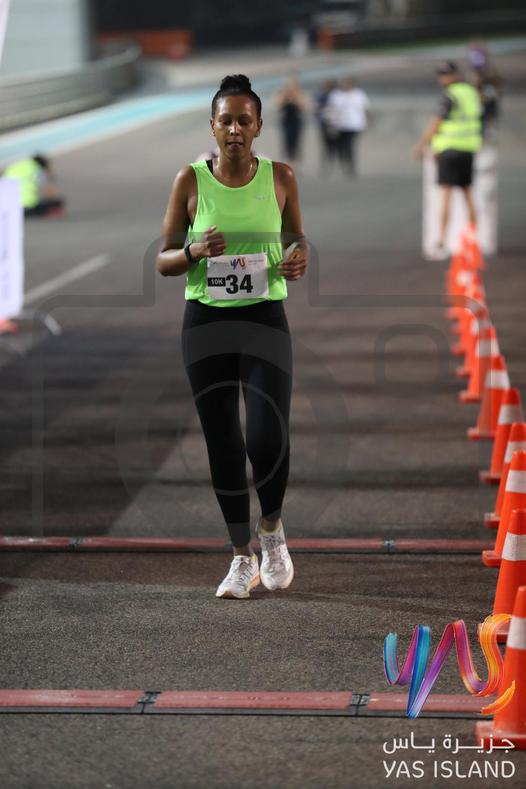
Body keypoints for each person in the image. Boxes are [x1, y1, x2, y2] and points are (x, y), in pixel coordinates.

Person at [157, 74, 308, 600]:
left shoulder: (281, 177)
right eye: (226, 121)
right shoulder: (190, 181)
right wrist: (194, 252)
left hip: (264, 320)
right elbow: (163, 260)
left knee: (267, 437)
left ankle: (272, 532)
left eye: (245, 120)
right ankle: (241, 557)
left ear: (259, 126)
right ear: (213, 126)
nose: (235, 129)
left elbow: (296, 240)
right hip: (206, 324)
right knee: (223, 442)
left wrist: (298, 259)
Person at [414, 61, 482, 255]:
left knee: (446, 196)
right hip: (468, 147)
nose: (442, 79)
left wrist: (421, 144)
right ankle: (473, 236)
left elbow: (437, 122)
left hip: (449, 149)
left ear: (453, 76)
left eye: (444, 75)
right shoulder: (471, 93)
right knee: (468, 193)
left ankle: (442, 238)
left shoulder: (450, 96)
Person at [325, 77, 370, 177]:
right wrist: (330, 124)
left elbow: (365, 108)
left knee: (350, 145)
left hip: (355, 125)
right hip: (340, 125)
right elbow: (331, 110)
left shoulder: (359, 94)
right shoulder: (335, 95)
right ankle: (343, 164)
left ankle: (351, 165)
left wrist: (367, 121)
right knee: (341, 146)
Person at [275, 75, 309, 166]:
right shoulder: (283, 93)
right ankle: (289, 161)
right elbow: (277, 106)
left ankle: (294, 161)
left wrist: (296, 99)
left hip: (297, 121)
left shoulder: (300, 93)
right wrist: (285, 98)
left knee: (296, 142)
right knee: (287, 142)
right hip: (286, 121)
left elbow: (305, 107)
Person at [313, 80, 339, 173]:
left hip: (336, 124)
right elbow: (316, 108)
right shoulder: (322, 96)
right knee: (326, 145)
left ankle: (331, 163)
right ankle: (327, 164)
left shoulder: (338, 96)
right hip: (325, 123)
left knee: (333, 145)